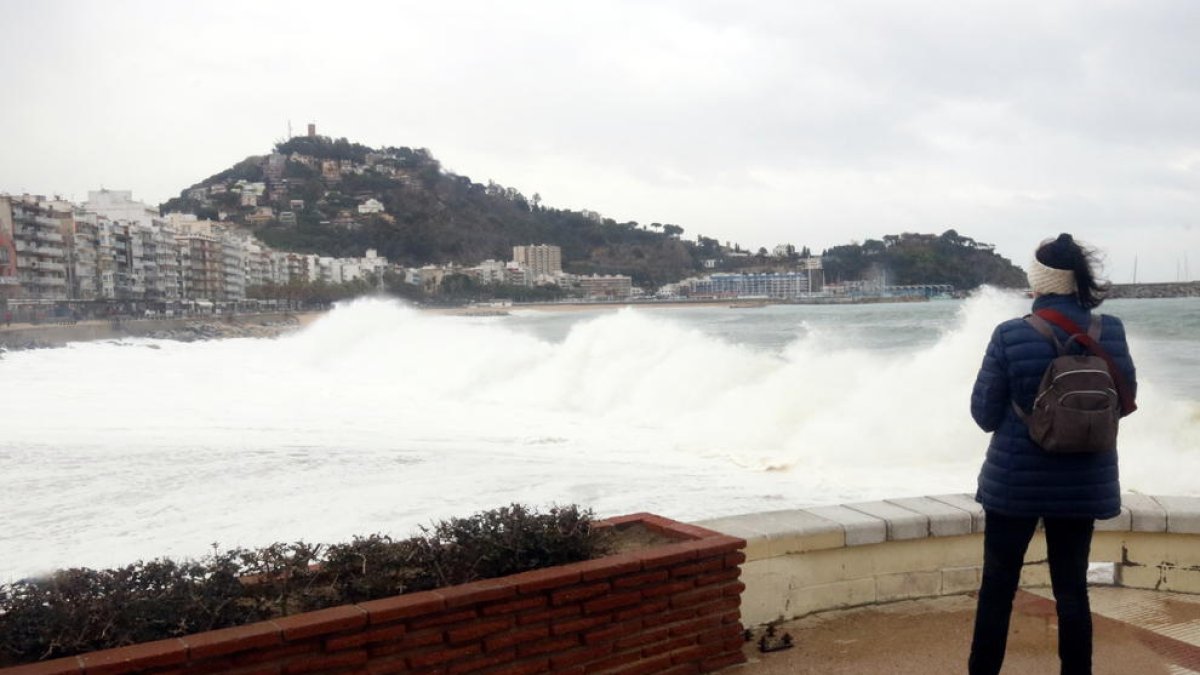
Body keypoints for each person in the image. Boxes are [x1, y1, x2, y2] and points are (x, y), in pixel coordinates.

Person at [968, 233, 1137, 675]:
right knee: (1072, 590)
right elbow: (1126, 400)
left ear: (1039, 282)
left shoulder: (1010, 333)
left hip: (1014, 484)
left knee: (998, 587)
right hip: (1083, 481)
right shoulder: (1110, 330)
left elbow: (984, 414)